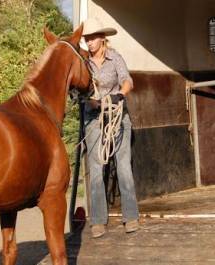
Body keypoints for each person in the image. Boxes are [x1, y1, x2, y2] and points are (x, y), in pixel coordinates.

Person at [82, 17, 139, 238]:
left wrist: (120, 95)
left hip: (117, 116)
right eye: (86, 38)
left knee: (123, 166)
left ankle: (131, 217)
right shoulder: (84, 62)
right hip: (94, 118)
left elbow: (127, 81)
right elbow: (81, 90)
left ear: (102, 38)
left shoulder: (115, 58)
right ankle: (97, 221)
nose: (89, 41)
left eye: (92, 37)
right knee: (96, 169)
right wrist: (92, 102)